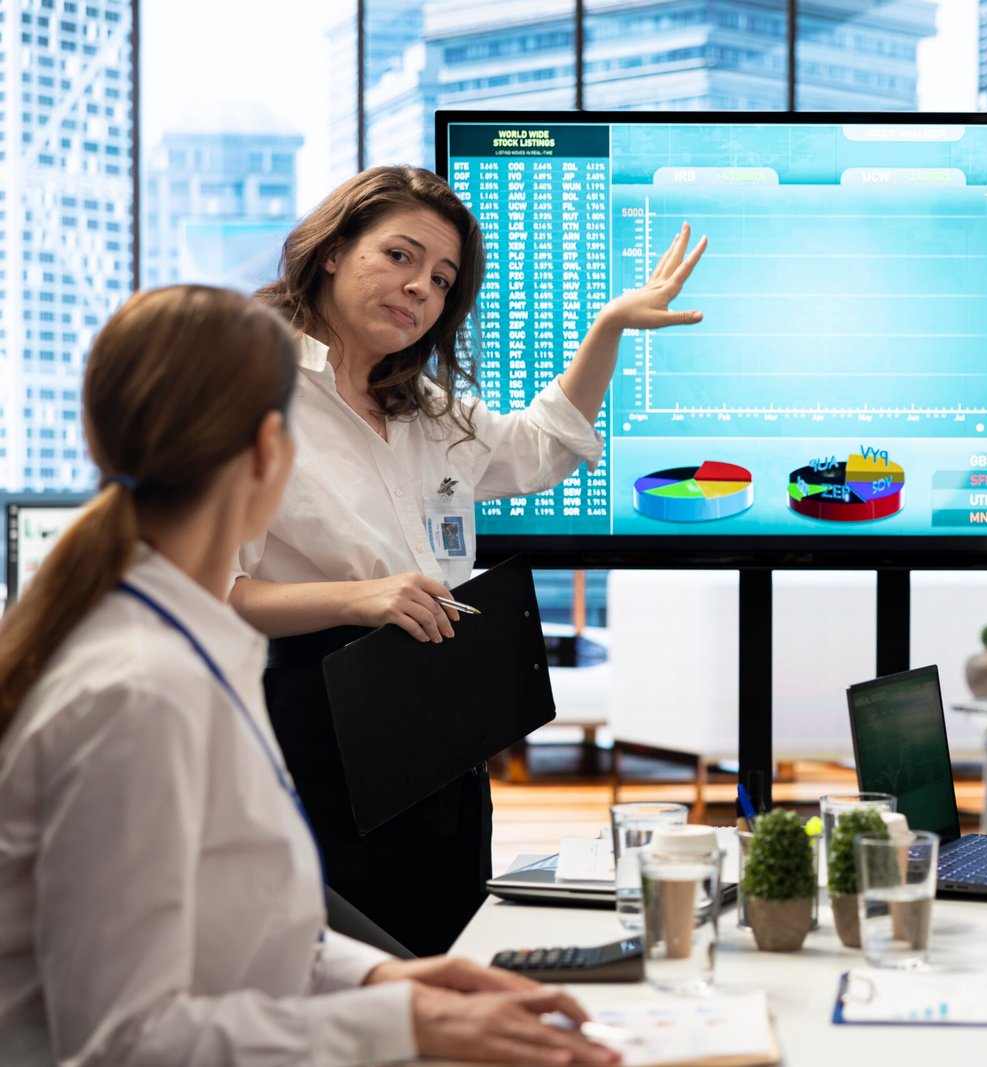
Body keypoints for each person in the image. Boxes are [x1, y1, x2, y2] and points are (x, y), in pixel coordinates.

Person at [0, 286, 618, 1065]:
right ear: (270, 451)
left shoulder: (189, 645)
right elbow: (124, 1042)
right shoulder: (137, 692)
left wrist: (389, 979)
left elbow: (238, 925)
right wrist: (407, 1026)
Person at [229, 165, 707, 955]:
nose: (420, 287)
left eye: (442, 279)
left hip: (442, 740)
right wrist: (361, 597)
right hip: (322, 728)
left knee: (447, 948)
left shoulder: (421, 407)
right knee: (352, 963)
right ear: (332, 252)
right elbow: (218, 591)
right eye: (400, 256)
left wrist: (610, 328)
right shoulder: (253, 387)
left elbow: (543, 448)